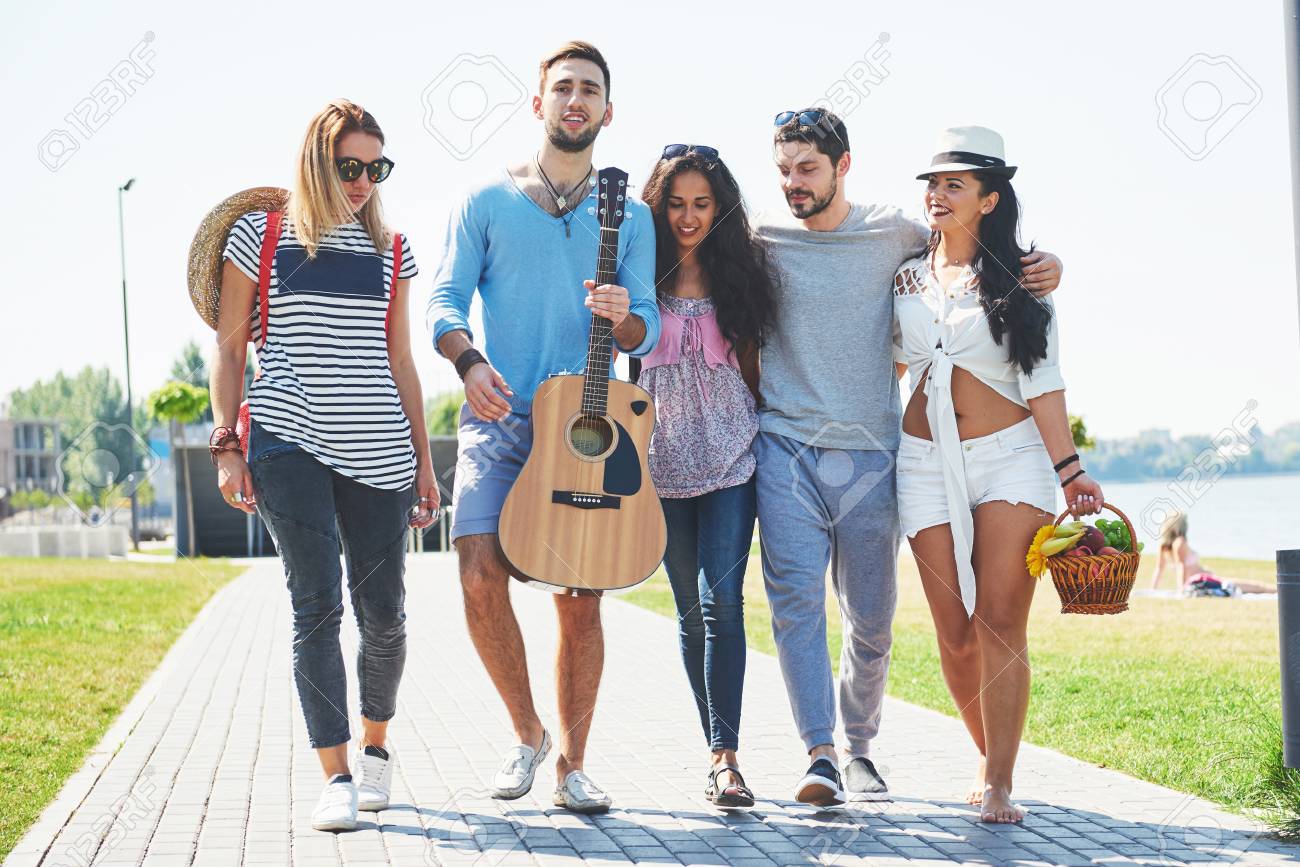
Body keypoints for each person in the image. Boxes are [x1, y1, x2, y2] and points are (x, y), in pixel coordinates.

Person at [751, 110, 1064, 807]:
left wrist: (1053, 267)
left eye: (808, 167)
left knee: (938, 618)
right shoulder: (804, 244)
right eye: (784, 169)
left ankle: (944, 766)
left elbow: (1034, 358)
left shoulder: (949, 253)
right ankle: (856, 752)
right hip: (853, 453)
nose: (794, 182)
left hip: (943, 457)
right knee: (881, 620)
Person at [426, 41, 660, 815]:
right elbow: (444, 301)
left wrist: (627, 318)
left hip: (586, 422)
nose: (575, 100)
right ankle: (527, 731)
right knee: (476, 566)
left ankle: (574, 765)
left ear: (607, 111)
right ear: (538, 104)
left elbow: (649, 328)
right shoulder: (485, 200)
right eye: (562, 87)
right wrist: (469, 363)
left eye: (590, 89)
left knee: (580, 594)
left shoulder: (633, 216)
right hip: (500, 413)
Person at [208, 99, 439, 832]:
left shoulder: (391, 251)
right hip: (287, 440)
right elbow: (230, 345)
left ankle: (375, 745)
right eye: (351, 166)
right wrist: (227, 442)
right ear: (317, 161)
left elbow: (401, 360)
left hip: (378, 450)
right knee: (315, 605)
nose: (365, 179)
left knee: (386, 618)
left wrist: (426, 462)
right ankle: (335, 772)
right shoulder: (262, 235)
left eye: (377, 166)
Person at [894, 125, 1101, 823]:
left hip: (1010, 459)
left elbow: (1043, 383)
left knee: (1001, 622)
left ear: (989, 198)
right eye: (932, 183)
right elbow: (890, 364)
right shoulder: (904, 274)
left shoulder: (1025, 277)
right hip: (921, 461)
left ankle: (999, 781)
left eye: (954, 183)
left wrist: (1070, 469)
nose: (937, 195)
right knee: (953, 631)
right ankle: (992, 755)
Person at [632, 145, 778, 807]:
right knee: (690, 613)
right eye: (677, 203)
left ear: (720, 208)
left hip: (729, 461)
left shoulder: (742, 275)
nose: (688, 216)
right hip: (658, 467)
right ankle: (711, 747)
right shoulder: (638, 272)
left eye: (702, 204)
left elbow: (755, 369)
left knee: (723, 603)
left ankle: (727, 758)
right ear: (658, 206)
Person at [1151, 512, 1272, 595]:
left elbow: (1159, 569)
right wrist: (1182, 590)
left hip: (1204, 580)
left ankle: (1281, 590)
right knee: (1256, 587)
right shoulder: (1180, 542)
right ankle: (1282, 590)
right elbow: (1181, 567)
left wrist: (1153, 589)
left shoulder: (1165, 546)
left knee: (1253, 587)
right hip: (1206, 581)